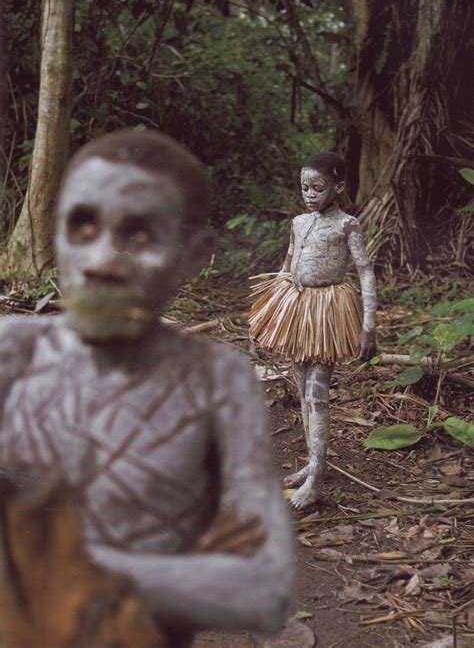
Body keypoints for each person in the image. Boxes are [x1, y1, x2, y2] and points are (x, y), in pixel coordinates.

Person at [0, 130, 294, 647]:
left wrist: (57, 561)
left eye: (138, 236)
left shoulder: (214, 378)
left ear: (192, 254)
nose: (100, 262)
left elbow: (263, 588)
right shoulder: (13, 352)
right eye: (82, 226)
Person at [249, 152, 377, 510]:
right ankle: (312, 462)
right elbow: (287, 265)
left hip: (328, 312)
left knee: (318, 394)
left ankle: (317, 477)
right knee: (302, 390)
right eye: (305, 187)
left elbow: (365, 271)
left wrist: (369, 326)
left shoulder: (347, 225)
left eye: (318, 187)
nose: (309, 194)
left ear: (337, 187)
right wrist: (268, 315)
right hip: (298, 309)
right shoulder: (299, 222)